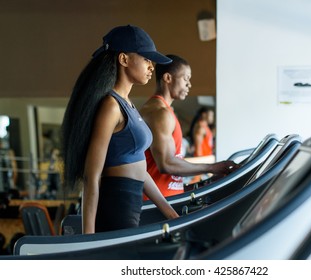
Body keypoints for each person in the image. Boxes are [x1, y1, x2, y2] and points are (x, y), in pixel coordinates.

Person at [61, 24, 179, 234]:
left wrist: (169, 212)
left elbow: (140, 168)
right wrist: (88, 238)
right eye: (146, 59)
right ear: (124, 59)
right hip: (115, 208)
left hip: (131, 207)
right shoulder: (111, 106)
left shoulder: (129, 104)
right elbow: (91, 175)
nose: (152, 66)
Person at [139, 54, 239, 199]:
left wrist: (207, 183)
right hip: (156, 205)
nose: (189, 85)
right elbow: (166, 164)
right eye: (185, 79)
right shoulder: (159, 113)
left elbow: (172, 181)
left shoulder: (166, 111)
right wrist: (212, 167)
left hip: (168, 199)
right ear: (168, 78)